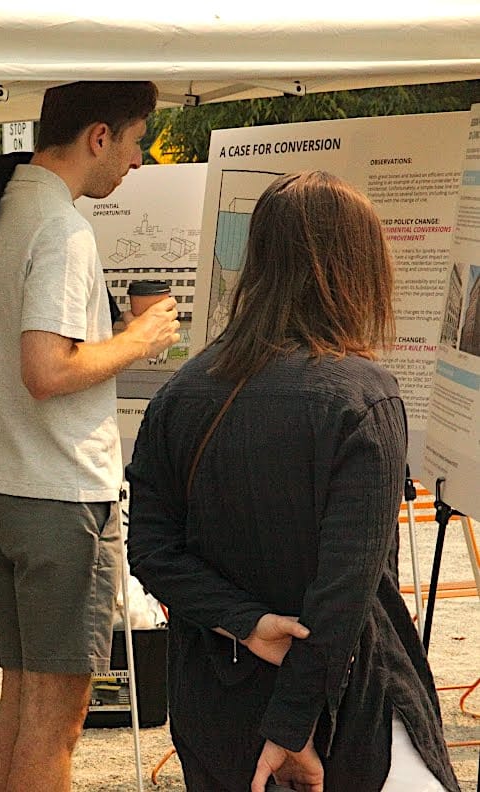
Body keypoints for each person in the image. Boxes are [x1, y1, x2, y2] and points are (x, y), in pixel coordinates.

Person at [126, 171, 460, 792]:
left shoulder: (181, 393)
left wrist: (247, 621)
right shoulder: (362, 396)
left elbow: (151, 551)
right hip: (346, 709)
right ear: (359, 268)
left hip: (217, 705)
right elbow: (344, 592)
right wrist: (291, 727)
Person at [0, 81, 180, 792]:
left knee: (20, 704)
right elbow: (47, 368)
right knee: (55, 720)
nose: (138, 160)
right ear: (98, 137)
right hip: (57, 495)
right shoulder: (62, 228)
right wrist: (137, 340)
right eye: (136, 141)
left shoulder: (4, 204)